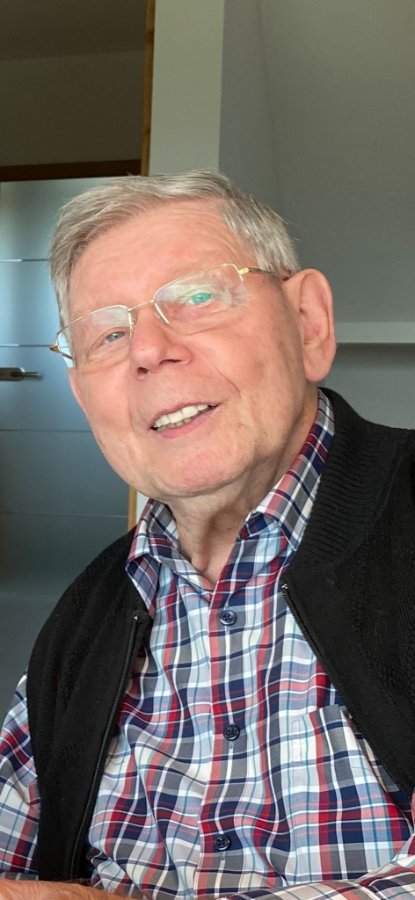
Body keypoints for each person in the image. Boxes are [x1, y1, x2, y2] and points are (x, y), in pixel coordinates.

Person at [0, 170, 415, 900]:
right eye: (108, 333)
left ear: (308, 323)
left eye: (196, 298)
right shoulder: (85, 617)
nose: (147, 350)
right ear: (84, 396)